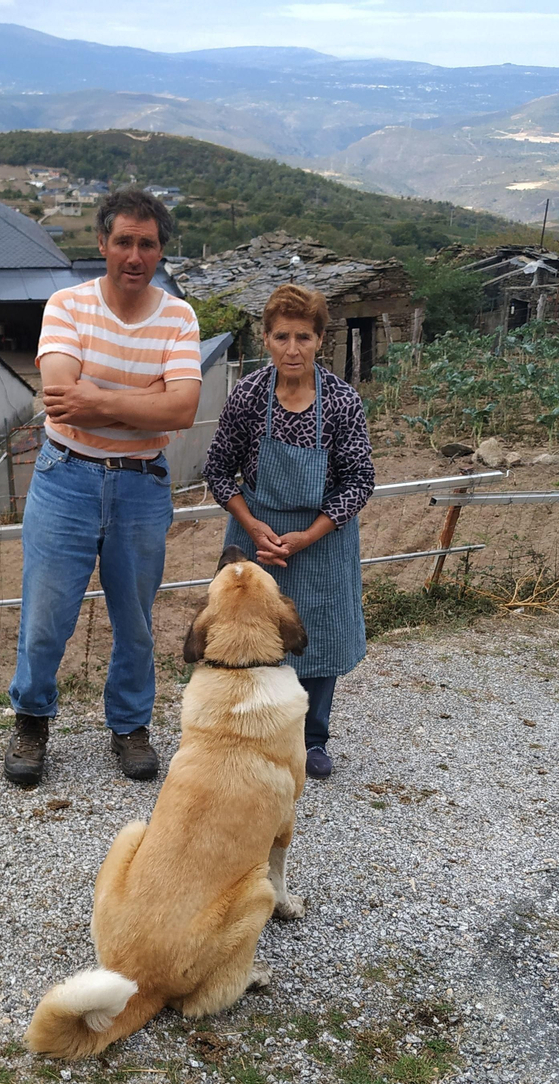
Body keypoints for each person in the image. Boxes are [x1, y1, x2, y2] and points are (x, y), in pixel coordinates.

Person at [4, 188, 203, 787]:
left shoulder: (180, 317)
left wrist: (100, 399)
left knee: (135, 620)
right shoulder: (67, 305)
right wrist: (146, 400)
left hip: (141, 486)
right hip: (66, 478)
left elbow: (183, 409)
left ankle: (130, 725)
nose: (134, 255)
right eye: (123, 242)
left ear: (161, 250)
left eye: (147, 244)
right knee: (45, 616)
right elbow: (62, 400)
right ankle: (32, 720)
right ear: (102, 243)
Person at [202, 284, 375, 778]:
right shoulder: (248, 396)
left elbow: (359, 481)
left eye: (303, 337)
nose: (292, 349)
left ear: (320, 339)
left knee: (319, 636)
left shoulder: (341, 401)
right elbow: (218, 471)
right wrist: (253, 527)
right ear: (266, 339)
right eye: (282, 337)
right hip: (257, 537)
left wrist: (308, 536)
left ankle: (312, 739)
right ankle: (252, 731)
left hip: (321, 540)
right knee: (249, 634)